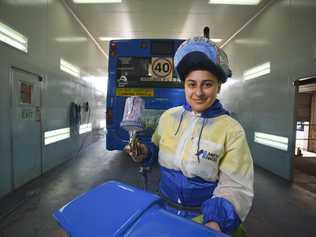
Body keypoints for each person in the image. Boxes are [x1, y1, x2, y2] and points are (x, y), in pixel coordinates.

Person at [124, 37, 254, 237]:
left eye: (207, 84)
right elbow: (157, 148)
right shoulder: (169, 117)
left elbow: (235, 186)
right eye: (192, 84)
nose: (199, 92)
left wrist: (213, 224)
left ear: (219, 86)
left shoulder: (231, 130)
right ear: (184, 85)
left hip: (204, 218)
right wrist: (143, 151)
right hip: (164, 211)